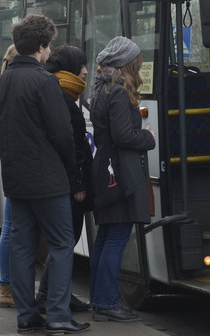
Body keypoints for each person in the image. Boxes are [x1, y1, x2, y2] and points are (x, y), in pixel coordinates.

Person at [0, 16, 90, 335]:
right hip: (49, 180)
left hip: (16, 180)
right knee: (61, 244)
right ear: (43, 47)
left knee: (21, 246)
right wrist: (73, 176)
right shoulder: (45, 82)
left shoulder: (0, 83)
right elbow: (62, 135)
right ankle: (58, 313)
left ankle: (27, 316)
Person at [87, 36, 156, 323]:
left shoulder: (102, 87)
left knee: (105, 237)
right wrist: (147, 137)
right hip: (120, 172)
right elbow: (122, 135)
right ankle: (106, 302)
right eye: (136, 60)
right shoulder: (117, 91)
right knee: (115, 238)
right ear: (128, 63)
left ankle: (100, 299)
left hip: (106, 168)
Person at [36, 45, 93, 312]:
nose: (85, 70)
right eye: (80, 66)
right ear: (68, 68)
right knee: (65, 241)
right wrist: (78, 183)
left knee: (64, 242)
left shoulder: (62, 93)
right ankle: (51, 297)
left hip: (65, 181)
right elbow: (70, 145)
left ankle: (53, 295)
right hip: (69, 185)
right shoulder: (59, 96)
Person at [0, 45, 18, 309]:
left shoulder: (0, 86)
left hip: (10, 165)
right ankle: (10, 288)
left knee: (9, 227)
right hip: (26, 169)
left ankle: (6, 286)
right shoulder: (28, 85)